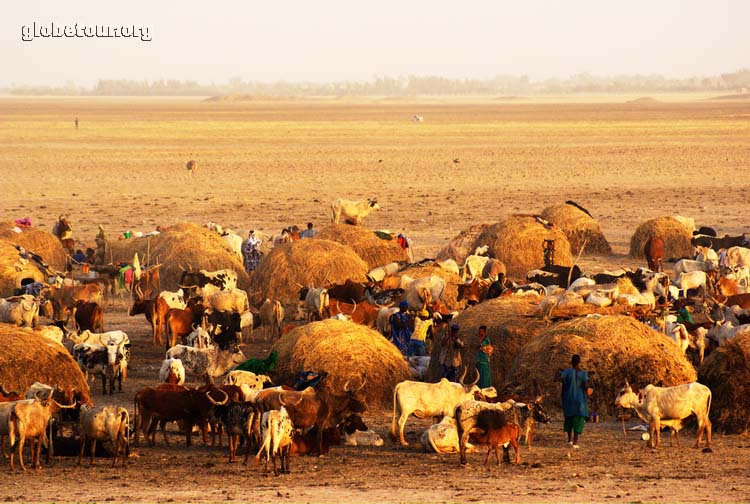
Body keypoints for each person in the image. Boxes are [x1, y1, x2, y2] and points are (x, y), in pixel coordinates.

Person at [560, 354, 590, 448]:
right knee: (578, 420)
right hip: (580, 400)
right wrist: (588, 391)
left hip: (568, 399)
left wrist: (558, 372)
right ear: (579, 362)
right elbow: (586, 386)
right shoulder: (583, 373)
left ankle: (569, 440)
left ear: (571, 362)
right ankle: (575, 442)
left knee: (569, 418)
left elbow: (557, 379)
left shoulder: (567, 372)